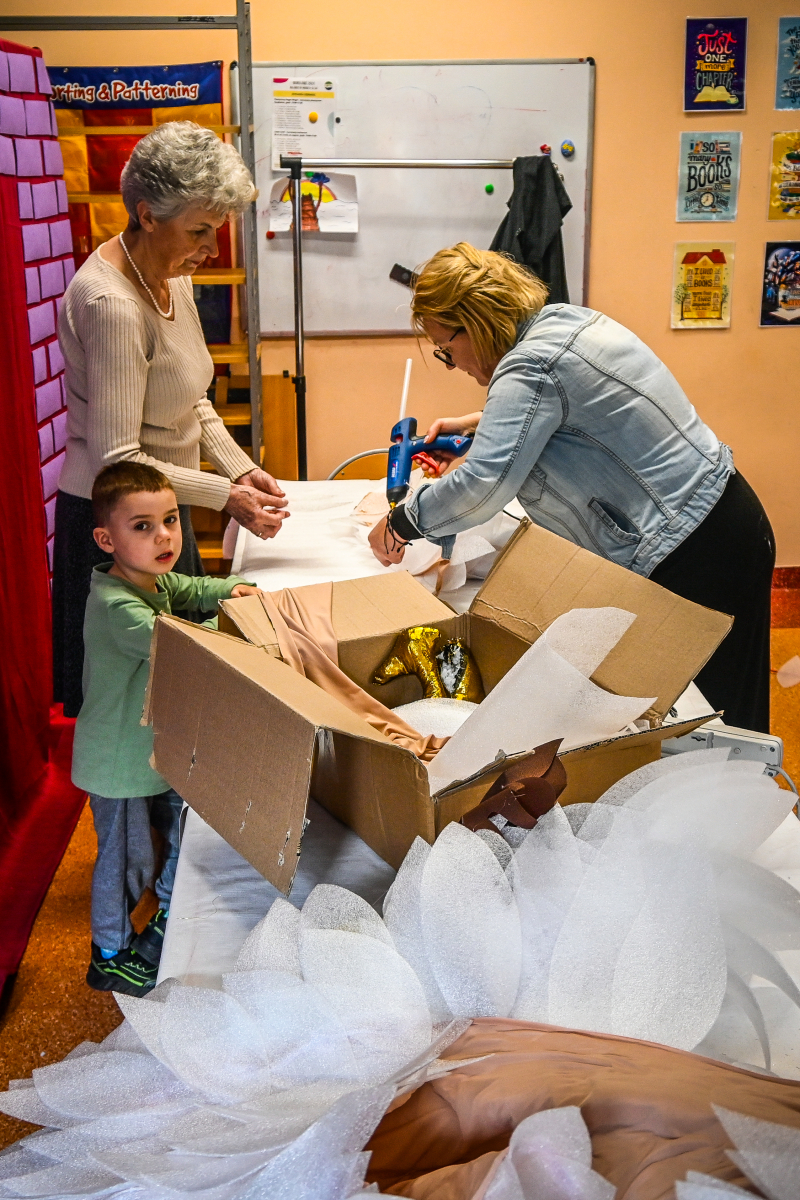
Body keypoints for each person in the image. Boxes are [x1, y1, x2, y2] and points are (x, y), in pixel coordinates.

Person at [369, 243, 775, 733]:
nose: (454, 365)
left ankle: (737, 804)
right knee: (727, 707)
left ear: (474, 323)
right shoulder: (569, 322)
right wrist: (483, 425)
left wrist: (402, 522)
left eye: (447, 351)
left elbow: (482, 484)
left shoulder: (530, 367)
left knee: (710, 723)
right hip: (725, 521)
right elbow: (576, 412)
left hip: (693, 553)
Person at [54, 121, 289, 718]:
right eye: (200, 231)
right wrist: (225, 497)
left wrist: (241, 472)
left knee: (181, 697)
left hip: (163, 505)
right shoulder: (112, 304)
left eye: (218, 230)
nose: (211, 250)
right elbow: (118, 460)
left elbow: (192, 397)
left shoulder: (169, 275)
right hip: (113, 524)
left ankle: (172, 810)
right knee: (132, 710)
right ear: (147, 214)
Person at [72, 461, 263, 995]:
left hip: (152, 749)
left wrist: (233, 590)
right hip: (118, 763)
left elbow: (192, 588)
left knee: (178, 833)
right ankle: (108, 950)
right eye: (143, 527)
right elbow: (178, 638)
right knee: (123, 860)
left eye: (172, 520)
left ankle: (166, 915)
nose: (164, 536)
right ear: (105, 539)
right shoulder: (115, 605)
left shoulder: (149, 579)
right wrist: (236, 620)